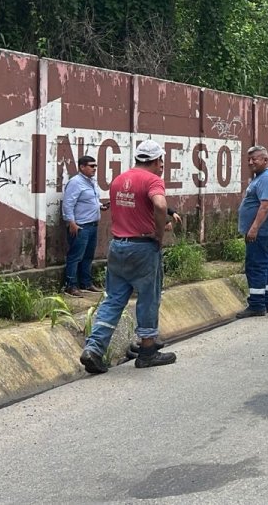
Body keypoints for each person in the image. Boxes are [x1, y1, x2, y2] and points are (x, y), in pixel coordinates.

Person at [79, 139, 176, 373]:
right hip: (143, 246)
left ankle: (94, 348)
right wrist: (159, 233)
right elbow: (160, 205)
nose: (162, 164)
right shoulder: (153, 180)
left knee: (113, 300)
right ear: (154, 160)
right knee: (148, 297)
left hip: (118, 246)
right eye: (161, 160)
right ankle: (147, 350)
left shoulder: (119, 180)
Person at [237, 146, 268, 318]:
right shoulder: (262, 177)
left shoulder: (266, 179)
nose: (250, 162)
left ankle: (256, 304)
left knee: (256, 266)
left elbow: (265, 206)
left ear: (265, 159)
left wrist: (254, 228)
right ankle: (266, 300)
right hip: (265, 232)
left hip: (262, 233)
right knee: (265, 265)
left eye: (254, 159)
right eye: (248, 159)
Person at [61, 155, 107, 297]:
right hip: (80, 226)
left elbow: (89, 200)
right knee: (75, 256)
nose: (94, 169)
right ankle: (71, 285)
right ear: (82, 167)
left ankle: (86, 283)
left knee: (88, 256)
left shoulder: (91, 182)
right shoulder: (75, 182)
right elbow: (68, 203)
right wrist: (71, 222)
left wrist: (101, 206)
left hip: (92, 224)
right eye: (91, 166)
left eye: (95, 166)